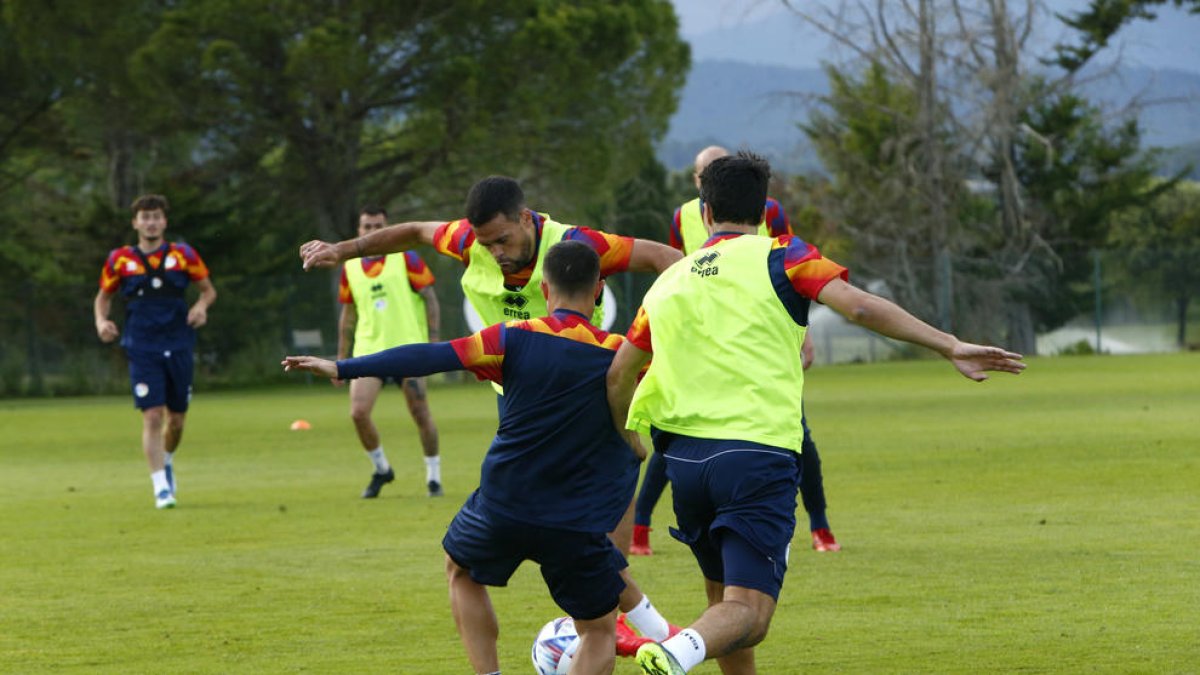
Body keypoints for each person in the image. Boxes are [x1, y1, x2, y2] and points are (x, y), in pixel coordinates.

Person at [606, 152, 1026, 675]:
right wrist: (947, 345)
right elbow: (860, 306)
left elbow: (620, 372)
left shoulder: (668, 282)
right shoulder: (784, 257)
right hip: (755, 454)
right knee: (750, 615)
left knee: (725, 606)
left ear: (705, 211)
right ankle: (675, 651)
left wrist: (627, 442)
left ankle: (686, 646)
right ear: (762, 212)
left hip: (685, 466)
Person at [284, 241, 676, 674]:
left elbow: (431, 356)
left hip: (504, 505)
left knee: (461, 569)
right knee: (599, 631)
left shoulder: (511, 339)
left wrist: (343, 367)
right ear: (599, 290)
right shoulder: (622, 356)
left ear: (544, 289)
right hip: (575, 520)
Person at [299, 175, 682, 552]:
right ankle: (610, 596)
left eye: (503, 239)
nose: (496, 251)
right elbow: (416, 230)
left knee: (610, 477)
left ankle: (615, 587)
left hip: (586, 382)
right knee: (527, 511)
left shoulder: (578, 245)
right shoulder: (466, 241)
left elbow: (669, 260)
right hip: (515, 388)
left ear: (525, 218)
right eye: (487, 243)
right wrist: (343, 250)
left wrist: (648, 336)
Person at [632, 145, 840, 556]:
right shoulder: (682, 217)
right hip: (703, 336)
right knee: (675, 433)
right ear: (697, 183)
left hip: (759, 336)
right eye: (700, 172)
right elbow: (676, 267)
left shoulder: (771, 215)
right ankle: (639, 527)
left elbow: (795, 275)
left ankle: (820, 527)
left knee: (799, 437)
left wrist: (805, 334)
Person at [94, 194, 217, 510]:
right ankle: (161, 487)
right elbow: (103, 298)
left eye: (156, 217)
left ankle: (167, 460)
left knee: (176, 421)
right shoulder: (120, 260)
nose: (151, 222)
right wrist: (101, 320)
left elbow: (208, 290)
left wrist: (201, 307)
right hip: (141, 345)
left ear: (165, 221)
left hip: (178, 342)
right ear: (135, 222)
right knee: (152, 415)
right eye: (145, 217)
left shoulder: (184, 254)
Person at [337, 205, 443, 498]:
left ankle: (433, 476)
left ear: (388, 227)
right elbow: (347, 315)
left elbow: (431, 300)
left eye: (378, 226)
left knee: (420, 412)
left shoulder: (406, 258)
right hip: (369, 351)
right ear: (359, 231)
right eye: (366, 227)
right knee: (358, 413)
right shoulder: (350, 267)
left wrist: (434, 343)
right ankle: (382, 470)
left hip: (408, 349)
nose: (372, 232)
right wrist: (341, 356)